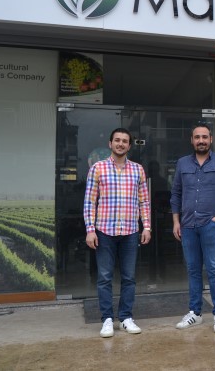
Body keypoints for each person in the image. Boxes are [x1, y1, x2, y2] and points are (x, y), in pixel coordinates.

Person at [171, 122, 215, 333]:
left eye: (204, 137)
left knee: (214, 269)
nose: (201, 140)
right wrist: (176, 221)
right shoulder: (183, 163)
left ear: (211, 139)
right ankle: (195, 313)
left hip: (211, 225)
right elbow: (176, 194)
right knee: (193, 270)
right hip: (188, 225)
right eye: (197, 137)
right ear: (192, 140)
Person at [83, 128, 152, 338]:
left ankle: (125, 318)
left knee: (129, 277)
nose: (120, 144)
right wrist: (90, 230)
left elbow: (144, 201)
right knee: (104, 277)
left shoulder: (138, 170)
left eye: (124, 141)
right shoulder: (98, 168)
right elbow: (89, 202)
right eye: (117, 140)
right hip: (104, 231)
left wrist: (147, 226)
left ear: (129, 146)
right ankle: (106, 319)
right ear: (110, 143)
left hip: (130, 232)